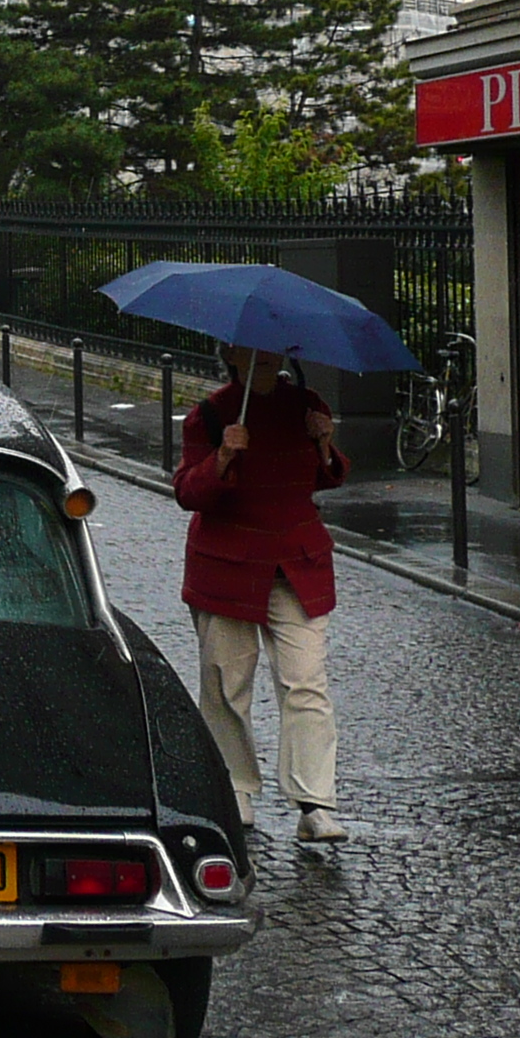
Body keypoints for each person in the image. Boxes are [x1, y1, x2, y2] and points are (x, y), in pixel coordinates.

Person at [171, 344, 348, 843]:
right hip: (228, 567)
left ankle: (314, 802)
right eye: (250, 351)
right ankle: (236, 787)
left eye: (270, 350)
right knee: (227, 682)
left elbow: (328, 475)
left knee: (305, 681)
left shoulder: (307, 407)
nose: (262, 357)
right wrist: (224, 455)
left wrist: (324, 444)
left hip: (296, 565)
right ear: (231, 355)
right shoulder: (208, 415)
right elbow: (187, 492)